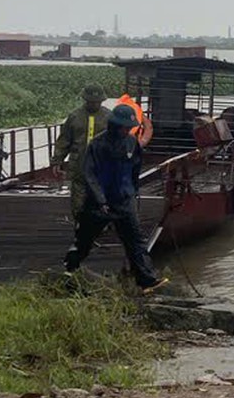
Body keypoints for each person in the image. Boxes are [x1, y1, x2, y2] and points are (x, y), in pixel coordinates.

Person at [63, 105, 168, 294]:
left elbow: (135, 168)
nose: (126, 130)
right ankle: (70, 269)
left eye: (129, 127)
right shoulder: (97, 144)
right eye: (123, 127)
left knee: (135, 242)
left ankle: (147, 281)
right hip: (98, 204)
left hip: (124, 202)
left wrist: (133, 192)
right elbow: (89, 175)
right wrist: (100, 199)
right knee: (84, 240)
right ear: (114, 125)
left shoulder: (131, 143)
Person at [51, 84, 112, 218]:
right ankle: (79, 225)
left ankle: (101, 225)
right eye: (91, 102)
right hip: (79, 165)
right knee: (78, 200)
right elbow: (64, 140)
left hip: (102, 165)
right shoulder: (74, 116)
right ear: (85, 100)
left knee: (101, 196)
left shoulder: (109, 117)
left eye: (97, 102)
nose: (94, 104)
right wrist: (57, 161)